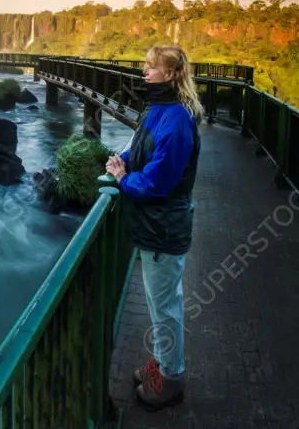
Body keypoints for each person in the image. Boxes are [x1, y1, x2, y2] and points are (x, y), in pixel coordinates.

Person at [105, 45, 203, 410]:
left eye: (150, 68)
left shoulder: (177, 119)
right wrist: (122, 161)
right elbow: (138, 148)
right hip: (155, 226)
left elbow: (157, 183)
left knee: (165, 307)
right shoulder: (157, 109)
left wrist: (123, 179)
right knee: (158, 302)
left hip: (165, 227)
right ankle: (164, 362)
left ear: (171, 75)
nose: (143, 74)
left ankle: (172, 377)